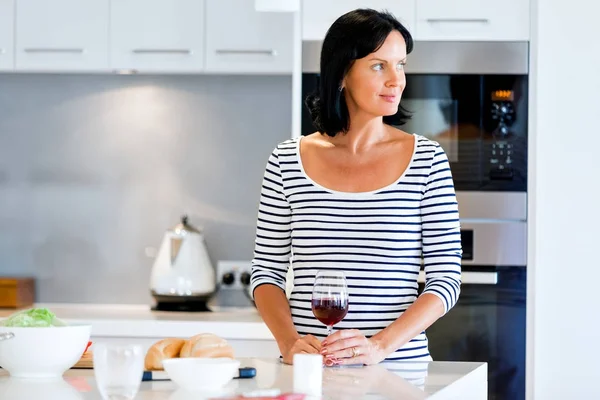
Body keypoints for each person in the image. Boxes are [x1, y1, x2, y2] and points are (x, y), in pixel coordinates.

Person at [250, 8, 462, 366]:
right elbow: (266, 273)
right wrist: (289, 343)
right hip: (312, 368)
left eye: (401, 64)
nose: (397, 80)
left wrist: (379, 345)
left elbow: (445, 280)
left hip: (397, 370)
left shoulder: (426, 159)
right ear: (342, 73)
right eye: (379, 66)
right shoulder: (287, 160)